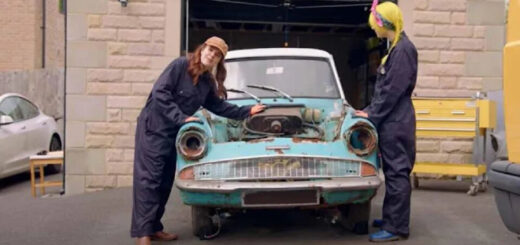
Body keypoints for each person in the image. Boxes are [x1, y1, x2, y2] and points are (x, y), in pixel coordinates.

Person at [130, 36, 266, 245]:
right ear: (202, 49)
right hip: (153, 129)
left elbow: (219, 106)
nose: (212, 55)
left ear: (219, 61)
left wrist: (247, 111)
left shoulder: (206, 82)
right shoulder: (180, 66)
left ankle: (155, 227)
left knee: (165, 181)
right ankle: (143, 235)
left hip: (173, 134)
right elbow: (160, 93)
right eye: (210, 50)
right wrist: (181, 118)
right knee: (149, 181)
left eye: (217, 54)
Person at [354, 1, 418, 242]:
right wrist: (369, 111)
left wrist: (371, 114)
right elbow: (386, 92)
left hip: (396, 121)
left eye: (375, 25)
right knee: (391, 171)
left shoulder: (403, 50)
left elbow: (392, 91)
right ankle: (393, 218)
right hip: (393, 118)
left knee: (398, 172)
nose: (374, 30)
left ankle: (397, 228)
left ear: (382, 23)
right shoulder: (396, 48)